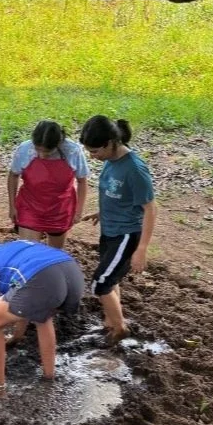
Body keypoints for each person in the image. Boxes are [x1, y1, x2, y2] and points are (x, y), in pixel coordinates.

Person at [0, 235, 85, 396]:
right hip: (73, 273)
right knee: (42, 317)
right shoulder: (15, 247)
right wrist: (17, 336)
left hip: (42, 278)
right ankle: (49, 376)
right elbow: (24, 304)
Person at [79, 116, 157, 344]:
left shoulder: (134, 169)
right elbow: (118, 196)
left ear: (111, 142)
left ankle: (120, 328)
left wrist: (142, 248)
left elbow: (150, 208)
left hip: (126, 234)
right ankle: (111, 320)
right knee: (111, 280)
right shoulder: (110, 161)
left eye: (95, 151)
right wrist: (102, 213)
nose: (93, 157)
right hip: (110, 230)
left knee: (100, 283)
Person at [8, 119, 89, 248]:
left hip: (60, 209)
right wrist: (12, 206)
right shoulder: (24, 149)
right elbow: (13, 175)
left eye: (47, 152)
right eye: (38, 150)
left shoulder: (73, 151)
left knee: (54, 254)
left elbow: (82, 181)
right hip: (30, 207)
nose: (42, 155)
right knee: (27, 251)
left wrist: (78, 211)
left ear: (59, 144)